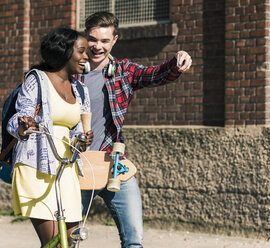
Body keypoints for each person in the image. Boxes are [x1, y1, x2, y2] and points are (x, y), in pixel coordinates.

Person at [74, 12, 192, 248]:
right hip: (76, 166)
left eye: (105, 41)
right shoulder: (70, 73)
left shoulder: (123, 71)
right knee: (66, 241)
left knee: (134, 241)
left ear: (114, 40)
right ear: (85, 37)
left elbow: (155, 75)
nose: (98, 46)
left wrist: (176, 63)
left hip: (114, 165)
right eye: (93, 39)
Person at [6, 27, 93, 247]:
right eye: (81, 51)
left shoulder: (81, 89)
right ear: (63, 51)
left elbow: (76, 131)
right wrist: (24, 126)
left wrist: (82, 140)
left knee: (71, 243)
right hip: (37, 166)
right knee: (54, 243)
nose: (86, 56)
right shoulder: (37, 80)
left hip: (66, 168)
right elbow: (19, 116)